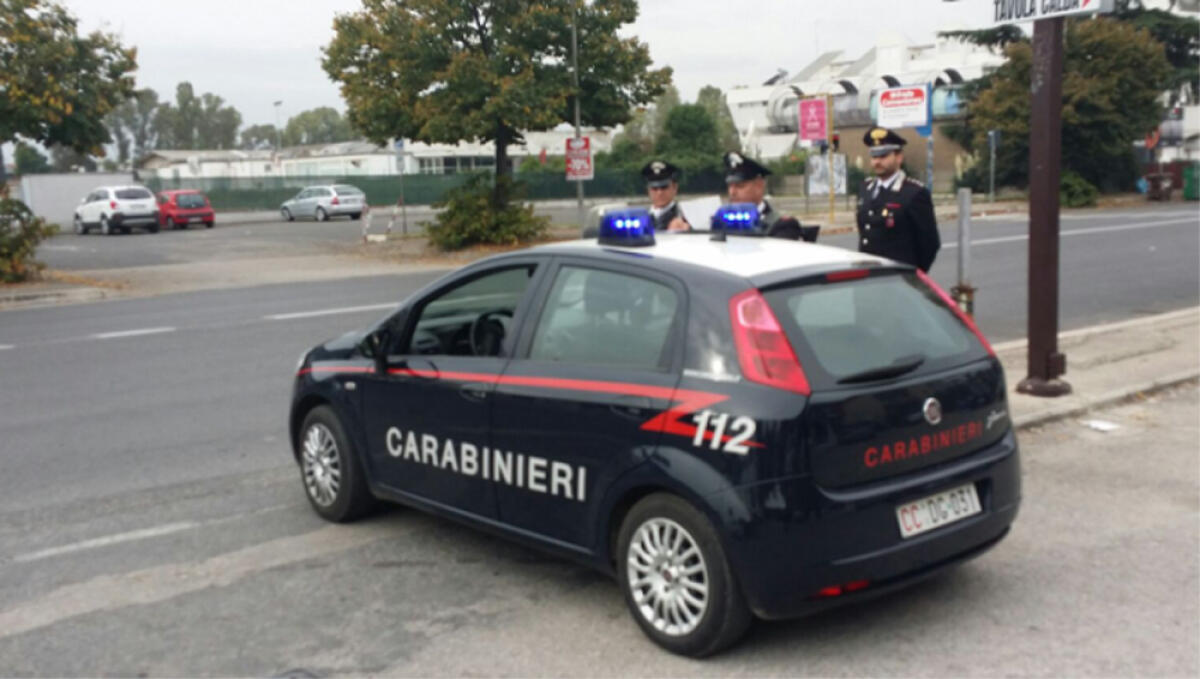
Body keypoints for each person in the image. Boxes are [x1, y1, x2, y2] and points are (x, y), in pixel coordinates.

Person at [856, 127, 940, 271]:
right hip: (870, 275)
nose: (877, 162)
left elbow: (929, 243)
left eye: (883, 156)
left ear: (899, 157)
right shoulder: (866, 189)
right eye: (874, 157)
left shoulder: (914, 193)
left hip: (898, 276)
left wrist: (912, 275)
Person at [723, 151, 804, 240]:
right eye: (729, 186)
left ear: (759, 186)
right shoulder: (723, 221)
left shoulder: (783, 226)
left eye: (740, 186)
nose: (732, 192)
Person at [640, 160, 690, 232]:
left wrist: (687, 232)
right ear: (648, 190)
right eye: (654, 188)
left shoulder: (685, 217)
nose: (659, 192)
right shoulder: (641, 218)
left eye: (664, 187)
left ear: (675, 188)